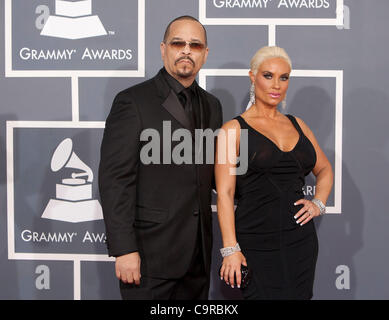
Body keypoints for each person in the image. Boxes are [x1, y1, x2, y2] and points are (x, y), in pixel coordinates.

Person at [98, 16, 223, 300]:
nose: (186, 51)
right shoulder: (133, 102)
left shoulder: (212, 106)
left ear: (205, 53)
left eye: (195, 45)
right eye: (178, 43)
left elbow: (214, 174)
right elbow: (114, 179)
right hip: (149, 257)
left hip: (197, 258)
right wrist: (124, 249)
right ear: (163, 48)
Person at [215, 46, 333, 300]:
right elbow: (224, 193)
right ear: (252, 76)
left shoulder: (297, 124)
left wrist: (318, 204)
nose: (276, 84)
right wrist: (230, 248)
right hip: (255, 243)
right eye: (268, 75)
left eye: (284, 77)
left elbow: (324, 169)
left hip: (300, 243)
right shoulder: (232, 130)